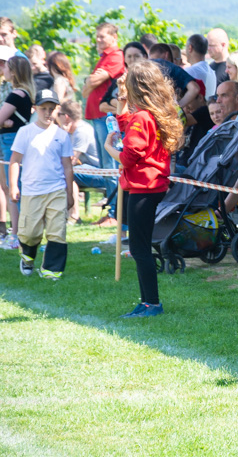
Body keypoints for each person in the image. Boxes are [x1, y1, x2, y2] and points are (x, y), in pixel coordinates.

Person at [105, 60, 184, 318]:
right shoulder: (153, 114)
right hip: (152, 186)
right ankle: (147, 301)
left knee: (139, 249)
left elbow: (128, 157)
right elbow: (127, 124)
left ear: (136, 86)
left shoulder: (143, 117)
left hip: (142, 188)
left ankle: (152, 303)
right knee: (140, 247)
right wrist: (122, 100)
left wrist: (109, 148)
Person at [9, 89, 73, 278]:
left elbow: (68, 167)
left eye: (51, 109)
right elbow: (14, 161)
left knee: (57, 231)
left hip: (56, 190)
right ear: (34, 109)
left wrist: (70, 193)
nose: (47, 113)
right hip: (31, 190)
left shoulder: (61, 135)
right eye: (43, 108)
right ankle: (28, 256)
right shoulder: (25, 132)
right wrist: (14, 185)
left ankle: (52, 271)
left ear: (57, 110)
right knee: (30, 233)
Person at [56, 99, 111, 225]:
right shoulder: (71, 131)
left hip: (101, 174)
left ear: (66, 117)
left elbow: (71, 161)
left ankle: (74, 215)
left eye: (58, 114)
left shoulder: (81, 131)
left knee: (69, 173)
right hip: (87, 170)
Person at [0, 56, 35, 250]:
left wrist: (4, 122)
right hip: (15, 139)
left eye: (6, 67)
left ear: (13, 72)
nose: (3, 70)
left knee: (13, 187)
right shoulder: (27, 93)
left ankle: (17, 234)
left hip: (10, 141)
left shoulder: (16, 94)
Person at [82, 22, 124, 169]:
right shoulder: (103, 58)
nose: (98, 40)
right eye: (97, 37)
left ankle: (114, 192)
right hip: (98, 115)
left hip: (107, 116)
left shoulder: (116, 56)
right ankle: (108, 192)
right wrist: (91, 81)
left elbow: (92, 81)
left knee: (109, 164)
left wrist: (90, 80)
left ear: (114, 37)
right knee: (104, 164)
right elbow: (85, 91)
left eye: (102, 36)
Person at [146, 43, 200, 108]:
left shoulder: (140, 68)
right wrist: (177, 107)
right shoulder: (170, 66)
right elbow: (194, 88)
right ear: (166, 55)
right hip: (165, 112)